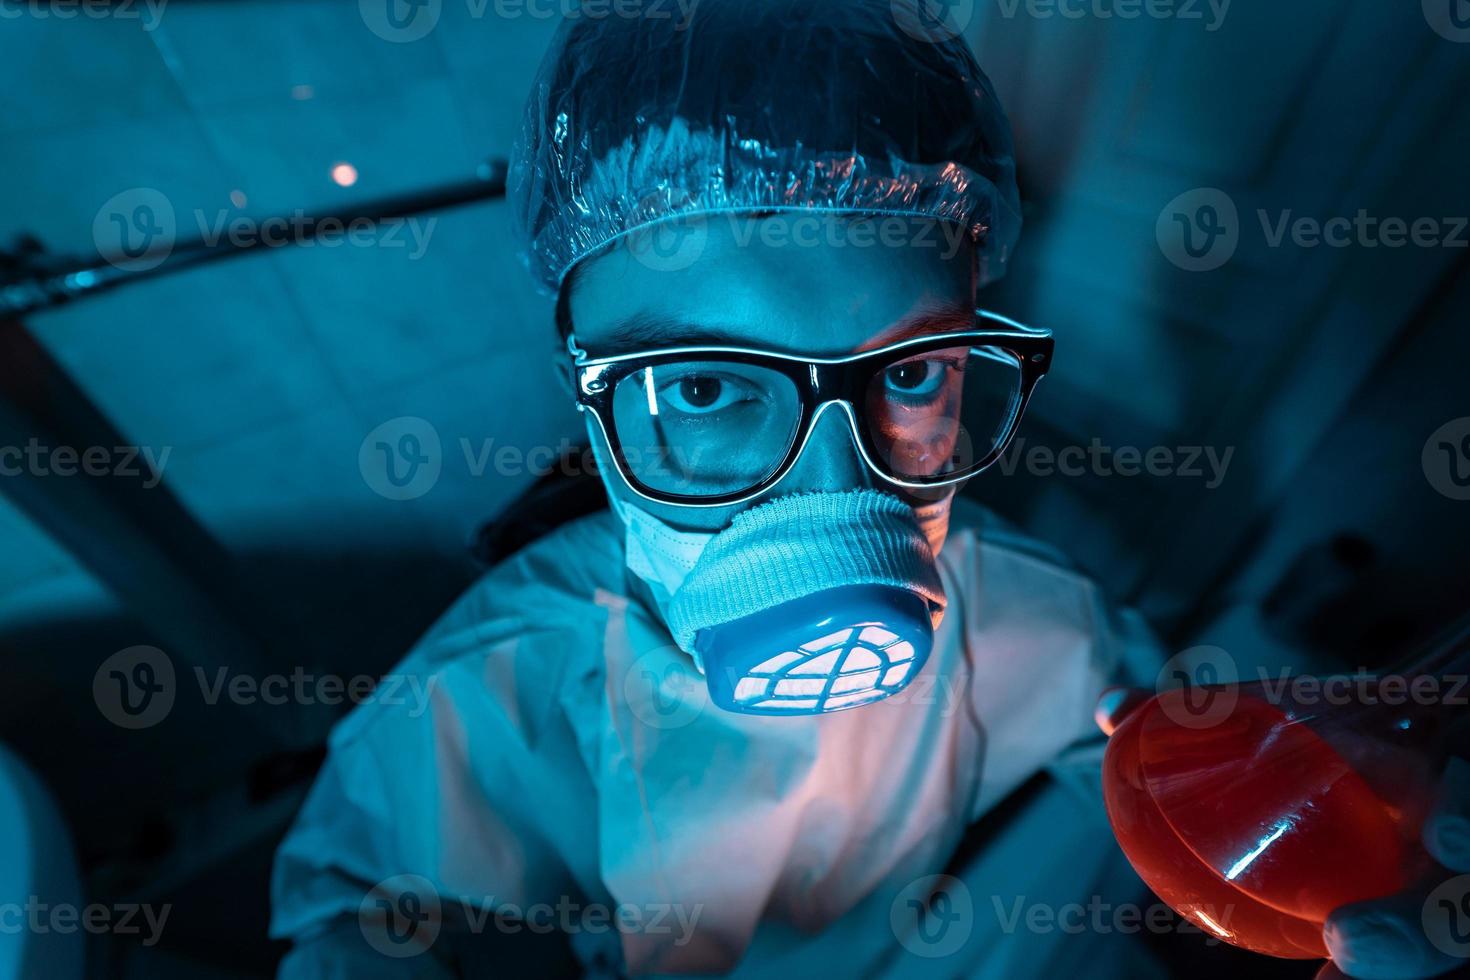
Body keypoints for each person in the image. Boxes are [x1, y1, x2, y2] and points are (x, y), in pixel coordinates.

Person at [270, 3, 1468, 977]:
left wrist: (1345, 819)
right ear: (585, 387)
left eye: (913, 367)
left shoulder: (1028, 613)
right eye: (701, 386)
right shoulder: (480, 692)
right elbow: (357, 911)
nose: (841, 487)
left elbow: (1136, 762)